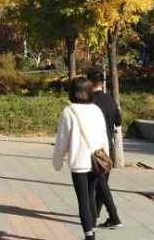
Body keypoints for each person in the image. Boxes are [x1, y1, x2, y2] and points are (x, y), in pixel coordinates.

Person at [53, 77, 109, 240]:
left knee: (83, 199)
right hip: (97, 160)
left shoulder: (68, 112)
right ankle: (92, 231)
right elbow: (103, 136)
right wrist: (106, 157)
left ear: (72, 92)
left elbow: (62, 140)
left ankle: (89, 236)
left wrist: (57, 162)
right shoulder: (96, 110)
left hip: (79, 161)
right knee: (91, 195)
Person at [87, 69, 122, 229]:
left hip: (93, 147)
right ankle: (97, 214)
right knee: (102, 182)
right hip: (107, 145)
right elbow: (118, 121)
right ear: (103, 82)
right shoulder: (110, 100)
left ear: (89, 82)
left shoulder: (89, 101)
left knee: (99, 183)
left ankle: (113, 217)